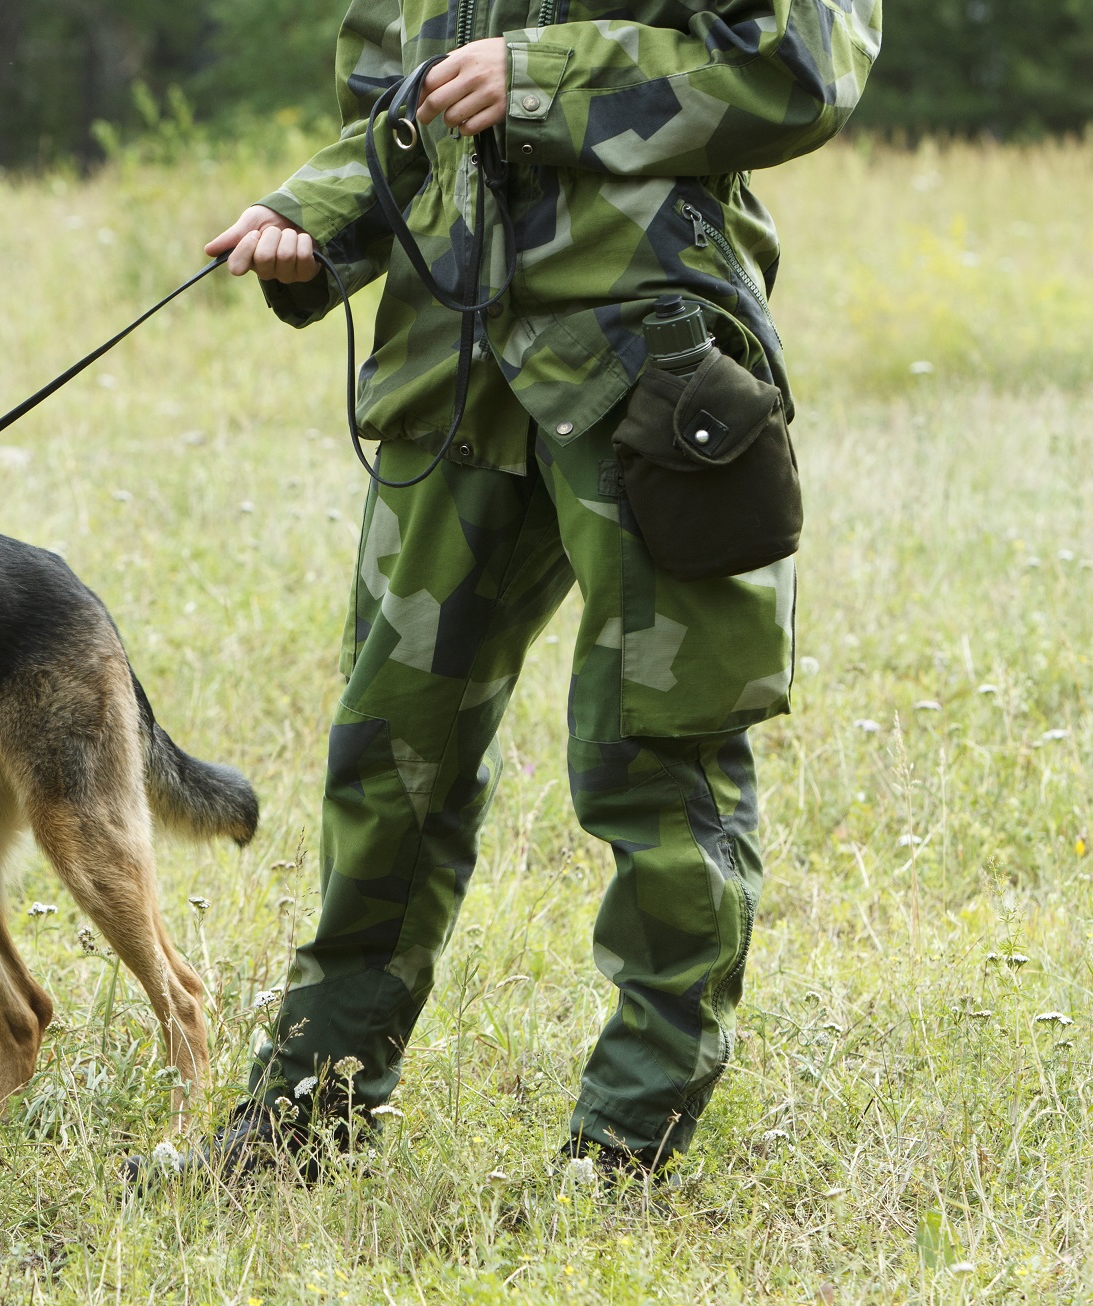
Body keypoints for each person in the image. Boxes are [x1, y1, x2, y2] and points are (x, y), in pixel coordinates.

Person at [177, 0, 880, 1177]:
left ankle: (622, 1151)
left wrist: (542, 76)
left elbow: (803, 67)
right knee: (386, 764)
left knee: (661, 756)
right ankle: (304, 1123)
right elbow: (404, 128)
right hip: (449, 378)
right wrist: (315, 220)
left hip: (646, 371)